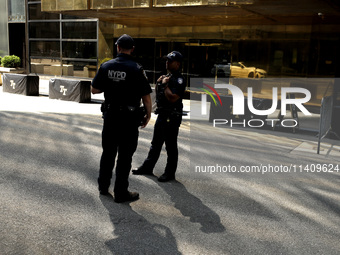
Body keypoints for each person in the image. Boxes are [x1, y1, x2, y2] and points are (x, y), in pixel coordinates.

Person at [91, 34, 152, 203]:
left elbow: (94, 89)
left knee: (108, 153)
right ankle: (120, 193)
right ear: (132, 49)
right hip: (129, 120)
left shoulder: (106, 66)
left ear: (117, 47)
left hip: (110, 117)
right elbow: (146, 97)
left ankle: (103, 187)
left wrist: (110, 83)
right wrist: (148, 114)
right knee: (125, 157)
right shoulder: (137, 69)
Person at [132, 51, 185, 182]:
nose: (167, 62)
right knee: (155, 144)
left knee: (170, 146)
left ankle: (169, 173)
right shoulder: (167, 76)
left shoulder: (179, 79)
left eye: (170, 61)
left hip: (172, 117)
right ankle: (148, 167)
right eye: (167, 60)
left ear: (177, 64)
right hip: (162, 114)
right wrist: (159, 83)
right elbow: (158, 94)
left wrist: (165, 85)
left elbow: (173, 98)